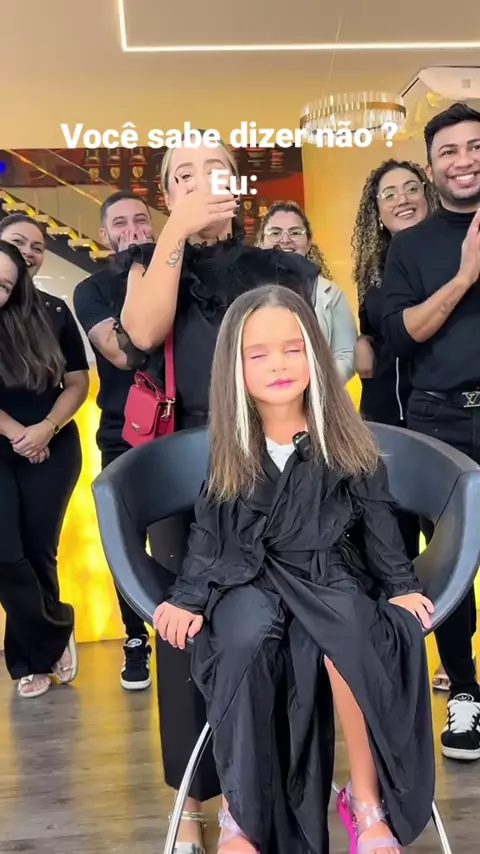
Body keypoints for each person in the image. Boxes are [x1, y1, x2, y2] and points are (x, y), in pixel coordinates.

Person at [154, 284, 435, 854]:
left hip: (327, 571)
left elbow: (378, 518)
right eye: (258, 354)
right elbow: (209, 533)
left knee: (350, 643)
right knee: (243, 642)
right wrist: (187, 595)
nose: (278, 365)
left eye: (292, 349)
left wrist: (401, 585)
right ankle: (240, 814)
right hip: (248, 574)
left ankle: (365, 799)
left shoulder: (345, 436)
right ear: (235, 367)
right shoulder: (232, 445)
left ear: (315, 353)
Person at [115, 135, 322, 853]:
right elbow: (144, 332)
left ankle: (268, 791)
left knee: (278, 622)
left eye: (215, 171)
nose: (202, 182)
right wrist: (175, 231)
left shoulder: (280, 268)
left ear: (237, 187)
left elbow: (304, 368)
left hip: (275, 455)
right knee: (184, 633)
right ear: (166, 194)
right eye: (184, 174)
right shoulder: (148, 263)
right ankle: (194, 804)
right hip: (187, 465)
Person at [382, 101, 480, 761]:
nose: (464, 161)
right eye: (449, 151)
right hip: (440, 419)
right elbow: (400, 334)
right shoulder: (412, 247)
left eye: (475, 147)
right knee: (452, 565)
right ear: (431, 166)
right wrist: (467, 275)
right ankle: (466, 691)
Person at [0, 227, 89, 698]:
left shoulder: (53, 311)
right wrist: (20, 434)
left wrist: (46, 429)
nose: (28, 252)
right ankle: (53, 629)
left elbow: (77, 381)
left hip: (52, 444)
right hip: (13, 440)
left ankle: (28, 661)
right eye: (18, 242)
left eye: (37, 246)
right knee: (5, 553)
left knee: (38, 551)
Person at [74, 190, 156, 691]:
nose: (132, 230)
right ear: (105, 235)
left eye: (140, 220)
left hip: (185, 426)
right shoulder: (91, 290)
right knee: (124, 540)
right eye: (119, 223)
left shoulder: (180, 275)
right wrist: (140, 279)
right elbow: (124, 353)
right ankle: (135, 637)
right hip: (123, 430)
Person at [351, 160, 437, 562]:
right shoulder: (371, 271)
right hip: (385, 417)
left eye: (411, 188)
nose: (402, 199)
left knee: (445, 531)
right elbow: (372, 327)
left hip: (440, 416)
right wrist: (360, 339)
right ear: (378, 211)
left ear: (428, 195)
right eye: (389, 194)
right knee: (392, 539)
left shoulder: (454, 254)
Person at [258, 200, 357, 382]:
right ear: (261, 242)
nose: (285, 239)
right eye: (275, 233)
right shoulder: (242, 291)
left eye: (295, 232)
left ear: (309, 242)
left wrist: (314, 386)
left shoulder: (331, 294)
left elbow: (346, 354)